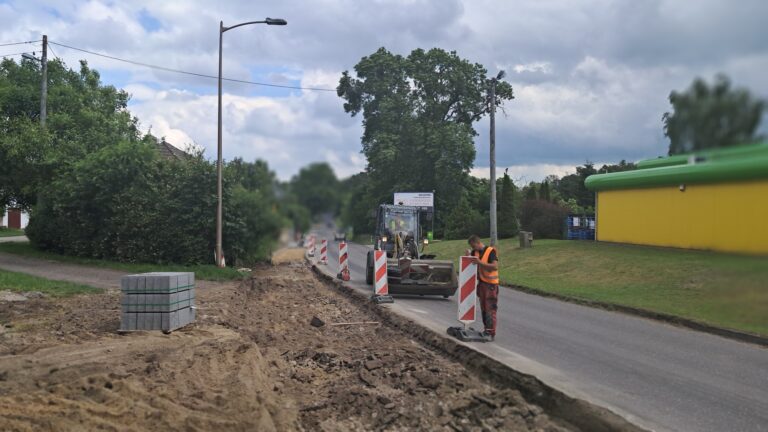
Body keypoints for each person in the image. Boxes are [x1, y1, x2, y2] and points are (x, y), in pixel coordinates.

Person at [467, 235, 499, 341]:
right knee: (484, 309)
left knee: (490, 309)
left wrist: (480, 263)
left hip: (491, 285)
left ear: (477, 242)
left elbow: (494, 266)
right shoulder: (475, 252)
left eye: (473, 246)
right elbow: (470, 262)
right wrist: (467, 256)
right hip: (482, 283)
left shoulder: (490, 251)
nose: (473, 248)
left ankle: (491, 332)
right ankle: (486, 330)